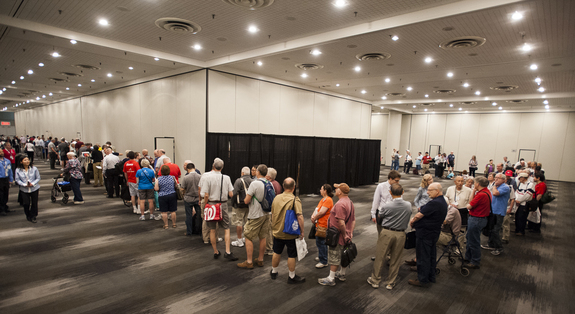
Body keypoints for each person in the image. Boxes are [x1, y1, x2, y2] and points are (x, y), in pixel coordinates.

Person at [367, 183, 411, 290]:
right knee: (395, 259)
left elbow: (380, 217)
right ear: (403, 192)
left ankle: (375, 280)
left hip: (387, 232)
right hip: (401, 234)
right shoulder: (408, 205)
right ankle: (391, 282)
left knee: (380, 257)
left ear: (390, 192)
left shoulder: (386, 206)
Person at [408, 183, 447, 287]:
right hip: (434, 232)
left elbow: (419, 215)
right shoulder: (442, 201)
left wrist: (412, 221)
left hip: (426, 233)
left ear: (437, 191)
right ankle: (430, 276)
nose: (427, 192)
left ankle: (423, 280)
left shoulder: (434, 203)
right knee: (431, 255)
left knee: (423, 256)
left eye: (430, 190)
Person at [318, 183, 356, 287]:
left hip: (338, 236)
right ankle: (342, 274)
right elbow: (353, 220)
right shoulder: (350, 202)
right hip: (346, 235)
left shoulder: (340, 204)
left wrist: (344, 235)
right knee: (344, 254)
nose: (335, 190)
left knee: (335, 255)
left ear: (340, 192)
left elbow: (341, 222)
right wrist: (350, 233)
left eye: (337, 188)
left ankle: (331, 278)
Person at [200, 158, 238, 261]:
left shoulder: (207, 177)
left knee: (212, 230)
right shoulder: (226, 178)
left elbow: (205, 194)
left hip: (211, 204)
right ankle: (228, 251)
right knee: (226, 228)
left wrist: (206, 204)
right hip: (223, 205)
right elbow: (231, 194)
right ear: (222, 167)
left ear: (213, 166)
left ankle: (215, 251)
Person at [269, 177, 305, 283]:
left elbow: (273, 214)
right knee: (291, 254)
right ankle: (292, 276)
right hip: (290, 233)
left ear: (283, 186)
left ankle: (274, 271)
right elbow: (300, 216)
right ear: (294, 187)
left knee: (276, 251)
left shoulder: (276, 198)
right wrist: (302, 231)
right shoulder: (295, 200)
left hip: (277, 231)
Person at [238, 164, 271, 269]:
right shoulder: (269, 183)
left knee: (248, 236)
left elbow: (247, 200)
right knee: (263, 236)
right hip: (267, 213)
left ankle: (249, 262)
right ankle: (260, 260)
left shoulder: (255, 183)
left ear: (258, 172)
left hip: (255, 214)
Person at [370, 170, 401, 260]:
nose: (398, 183)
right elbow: (376, 201)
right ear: (390, 179)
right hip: (382, 214)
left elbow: (401, 200)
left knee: (392, 236)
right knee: (381, 236)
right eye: (396, 180)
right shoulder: (381, 186)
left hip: (394, 216)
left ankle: (390, 255)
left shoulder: (398, 187)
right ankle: (380, 255)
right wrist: (373, 214)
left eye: (398, 181)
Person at [464, 177, 492, 269]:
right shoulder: (486, 192)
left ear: (477, 184)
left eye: (474, 183)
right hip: (480, 219)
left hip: (476, 219)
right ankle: (468, 257)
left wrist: (473, 193)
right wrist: (473, 191)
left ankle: (475, 261)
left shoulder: (481, 195)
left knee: (473, 241)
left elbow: (469, 205)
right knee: (470, 238)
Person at [481, 173, 510, 256]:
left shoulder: (505, 187)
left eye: (498, 178)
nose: (496, 179)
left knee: (495, 231)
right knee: (490, 229)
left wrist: (494, 186)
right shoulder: (497, 186)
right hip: (492, 211)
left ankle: (499, 248)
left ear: (504, 180)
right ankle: (491, 244)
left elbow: (495, 193)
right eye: (496, 178)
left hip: (499, 212)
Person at [310, 184, 334, 268]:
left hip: (324, 225)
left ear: (325, 191)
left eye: (321, 189)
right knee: (319, 242)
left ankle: (323, 261)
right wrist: (313, 216)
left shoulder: (328, 200)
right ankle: (321, 256)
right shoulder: (323, 200)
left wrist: (314, 217)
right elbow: (317, 209)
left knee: (322, 242)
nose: (320, 190)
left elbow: (322, 212)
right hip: (319, 224)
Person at [231, 167, 253, 247]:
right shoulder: (253, 181)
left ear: (242, 173)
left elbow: (234, 193)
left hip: (239, 205)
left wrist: (233, 203)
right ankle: (246, 238)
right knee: (247, 222)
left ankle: (239, 240)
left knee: (239, 222)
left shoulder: (239, 181)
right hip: (249, 205)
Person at [15, 157, 40, 223]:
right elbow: (17, 180)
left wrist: (32, 183)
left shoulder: (34, 169)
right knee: (26, 203)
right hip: (24, 189)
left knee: (34, 203)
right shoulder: (18, 170)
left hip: (34, 188)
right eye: (25, 160)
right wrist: (24, 184)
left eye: (28, 160)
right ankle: (28, 214)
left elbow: (38, 178)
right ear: (21, 162)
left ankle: (33, 216)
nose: (27, 161)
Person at [181, 162, 201, 235]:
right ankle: (199, 231)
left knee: (188, 215)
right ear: (194, 168)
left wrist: (184, 194)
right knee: (199, 215)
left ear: (187, 169)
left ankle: (189, 231)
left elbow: (182, 188)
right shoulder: (200, 176)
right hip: (198, 198)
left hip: (188, 198)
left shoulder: (186, 177)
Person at [265, 167, 282, 255]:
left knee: (269, 230)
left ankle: (270, 248)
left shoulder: (269, 185)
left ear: (268, 176)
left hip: (272, 211)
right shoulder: (277, 184)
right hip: (277, 210)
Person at [0, 149, 14, 216]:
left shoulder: (7, 161)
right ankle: (1, 209)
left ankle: (5, 206)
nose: (1, 153)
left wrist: (11, 179)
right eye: (0, 152)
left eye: (2, 151)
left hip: (6, 179)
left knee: (6, 193)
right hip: (0, 179)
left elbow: (10, 171)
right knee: (1, 195)